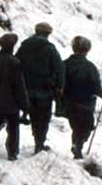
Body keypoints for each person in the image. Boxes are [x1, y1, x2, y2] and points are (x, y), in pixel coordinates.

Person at [16, 22, 66, 154]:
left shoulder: (24, 45)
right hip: (44, 90)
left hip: (26, 88)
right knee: (43, 117)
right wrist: (60, 86)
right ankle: (39, 143)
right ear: (48, 34)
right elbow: (59, 69)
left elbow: (16, 63)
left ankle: (34, 138)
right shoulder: (50, 48)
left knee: (32, 115)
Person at [59, 35, 102, 159]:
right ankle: (77, 146)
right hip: (85, 104)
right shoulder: (90, 67)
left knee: (76, 126)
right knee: (86, 127)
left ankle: (76, 146)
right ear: (87, 50)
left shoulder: (65, 64)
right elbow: (95, 86)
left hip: (68, 103)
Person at [0, 33, 30, 160]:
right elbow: (19, 86)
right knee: (13, 130)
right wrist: (25, 105)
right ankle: (12, 153)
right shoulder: (15, 63)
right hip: (11, 104)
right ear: (12, 47)